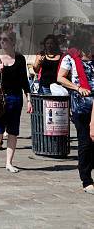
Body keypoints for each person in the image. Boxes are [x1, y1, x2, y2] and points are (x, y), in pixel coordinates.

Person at [0, 31, 32, 173]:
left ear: (13, 42)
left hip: (15, 98)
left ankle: (9, 163)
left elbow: (24, 80)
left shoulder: (20, 58)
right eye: (1, 39)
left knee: (13, 131)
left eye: (6, 39)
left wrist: (29, 99)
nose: (3, 42)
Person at [58, 31, 94, 194]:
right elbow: (61, 77)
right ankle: (86, 179)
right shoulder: (71, 57)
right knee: (85, 142)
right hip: (81, 105)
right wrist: (78, 88)